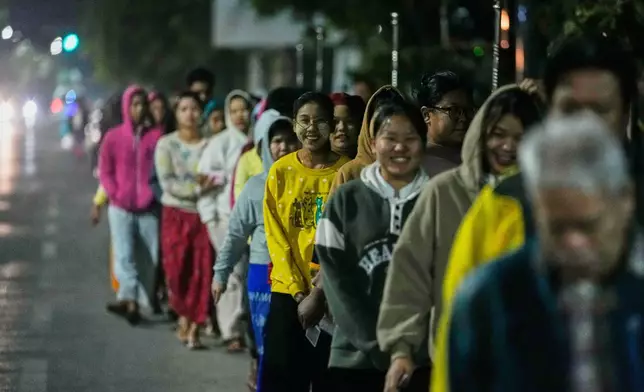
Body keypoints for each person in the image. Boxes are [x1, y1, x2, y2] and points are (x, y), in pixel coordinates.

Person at [431, 33, 639, 391]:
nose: (584, 126)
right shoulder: (501, 203)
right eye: (572, 110)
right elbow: (461, 345)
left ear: (626, 114)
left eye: (601, 110)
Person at [377, 85, 543, 391]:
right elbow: (410, 271)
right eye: (498, 133)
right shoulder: (444, 192)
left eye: (520, 137)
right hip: (455, 360)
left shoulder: (543, 201)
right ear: (481, 133)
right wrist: (401, 350)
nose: (508, 146)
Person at [316, 101, 431, 392]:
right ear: (372, 141)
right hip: (354, 359)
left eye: (410, 139)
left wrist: (408, 350)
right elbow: (335, 281)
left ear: (423, 141)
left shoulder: (438, 200)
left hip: (423, 359)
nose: (399, 148)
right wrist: (378, 347)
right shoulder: (345, 201)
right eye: (390, 138)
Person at [260, 92, 350, 391]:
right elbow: (275, 235)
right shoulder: (280, 171)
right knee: (282, 376)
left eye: (320, 121)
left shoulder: (347, 172)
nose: (312, 128)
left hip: (332, 295)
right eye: (304, 120)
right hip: (287, 292)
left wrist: (319, 292)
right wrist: (300, 293)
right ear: (295, 124)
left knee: (326, 379)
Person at [211, 113, 300, 392]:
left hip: (302, 277)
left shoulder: (310, 183)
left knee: (298, 352)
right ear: (264, 146)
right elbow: (236, 235)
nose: (283, 147)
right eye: (276, 141)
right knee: (266, 349)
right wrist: (221, 273)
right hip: (264, 273)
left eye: (289, 140)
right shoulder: (254, 187)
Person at [99, 85, 162, 324]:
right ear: (126, 107)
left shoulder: (155, 137)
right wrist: (114, 193)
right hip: (120, 207)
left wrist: (153, 195)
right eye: (134, 104)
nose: (138, 109)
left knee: (149, 256)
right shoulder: (113, 138)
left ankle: (144, 299)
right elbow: (105, 170)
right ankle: (130, 300)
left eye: (142, 105)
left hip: (148, 208)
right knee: (124, 254)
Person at [155, 91, 213, 349]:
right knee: (177, 271)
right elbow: (167, 181)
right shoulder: (166, 145)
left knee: (201, 272)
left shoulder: (212, 145)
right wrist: (198, 187)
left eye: (194, 108)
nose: (190, 114)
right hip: (175, 214)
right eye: (184, 109)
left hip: (203, 214)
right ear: (176, 114)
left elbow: (218, 176)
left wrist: (203, 188)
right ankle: (183, 315)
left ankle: (195, 327)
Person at [197, 89, 252, 352]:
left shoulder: (258, 142)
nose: (241, 115)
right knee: (232, 274)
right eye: (235, 110)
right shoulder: (219, 144)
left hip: (252, 222)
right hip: (223, 220)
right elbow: (204, 185)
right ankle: (231, 331)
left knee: (246, 275)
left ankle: (244, 328)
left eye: (245, 109)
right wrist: (209, 218)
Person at [329, 85, 405, 193]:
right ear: (367, 124)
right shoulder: (350, 173)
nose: (386, 130)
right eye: (379, 122)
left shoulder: (413, 170)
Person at [415, 71, 474, 176]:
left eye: (468, 110)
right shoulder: (415, 166)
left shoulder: (477, 159)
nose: (463, 118)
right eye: (454, 110)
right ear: (427, 115)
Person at [329, 92, 365, 158]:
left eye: (349, 122)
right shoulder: (310, 164)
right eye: (335, 121)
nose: (341, 127)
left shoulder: (370, 165)